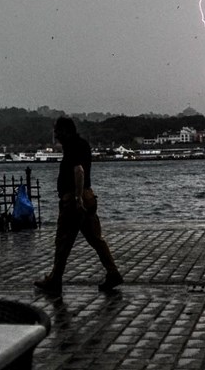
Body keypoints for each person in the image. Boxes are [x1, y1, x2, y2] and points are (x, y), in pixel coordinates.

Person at [34, 117, 122, 296]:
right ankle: (113, 272)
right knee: (96, 239)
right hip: (88, 196)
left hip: (73, 200)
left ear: (66, 131)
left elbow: (79, 171)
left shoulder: (72, 146)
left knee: (62, 241)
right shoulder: (83, 144)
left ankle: (54, 279)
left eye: (57, 131)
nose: (56, 135)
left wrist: (76, 197)